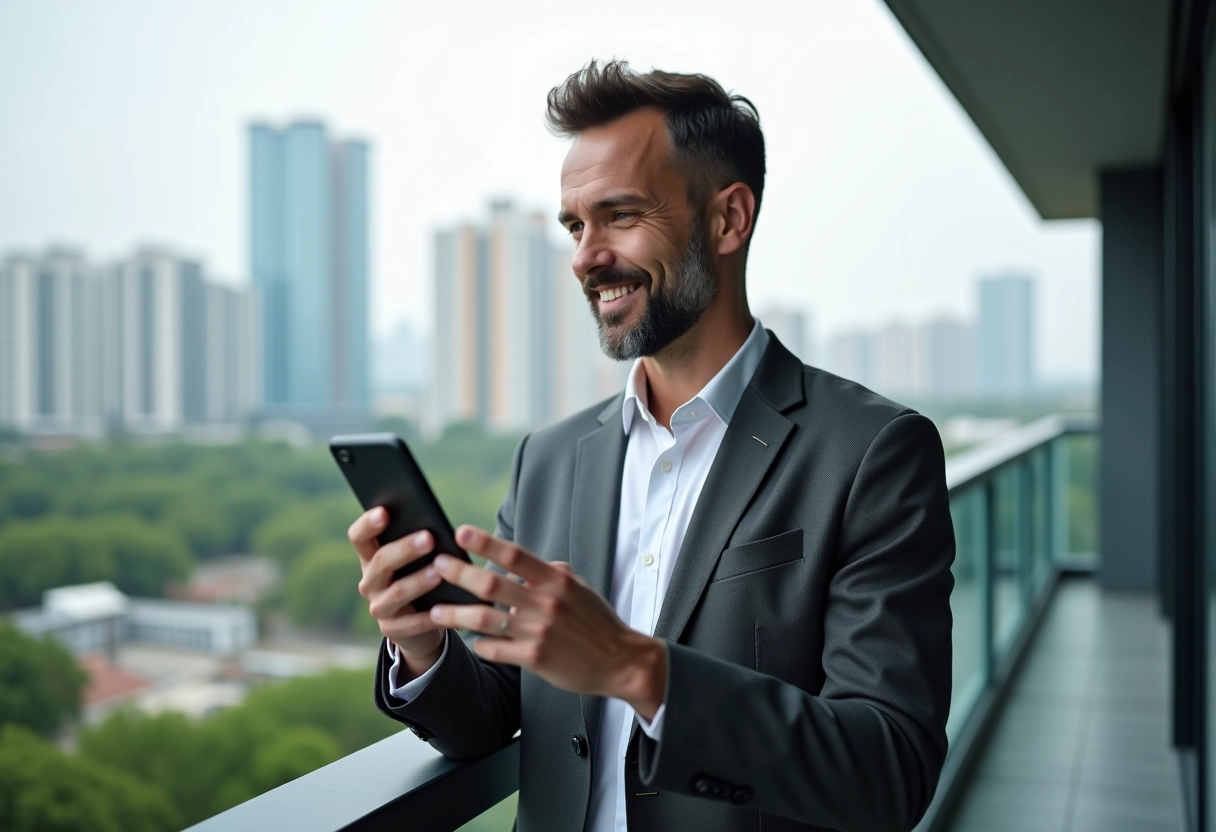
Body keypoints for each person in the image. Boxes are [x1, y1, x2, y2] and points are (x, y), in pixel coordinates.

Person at [349, 59, 954, 832]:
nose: (584, 257)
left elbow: (889, 770)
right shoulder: (550, 459)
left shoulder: (873, 452)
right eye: (574, 225)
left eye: (620, 216)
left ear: (729, 219)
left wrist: (638, 669)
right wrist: (423, 645)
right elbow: (493, 715)